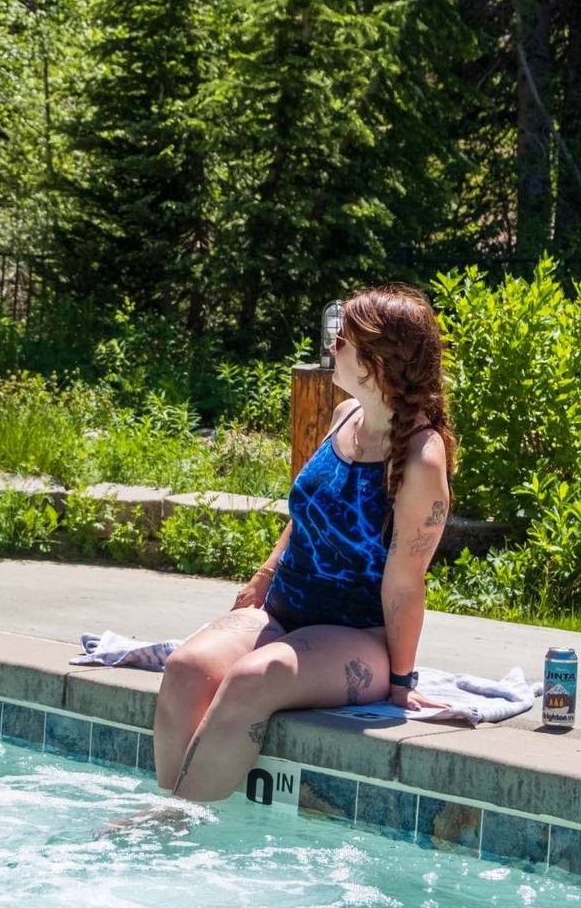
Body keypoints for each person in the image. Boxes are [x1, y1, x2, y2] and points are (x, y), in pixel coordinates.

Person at [152, 284, 458, 803]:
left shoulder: (419, 460)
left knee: (253, 678)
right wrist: (264, 576)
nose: (332, 346)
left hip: (357, 638)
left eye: (344, 340)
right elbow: (307, 513)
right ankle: (168, 807)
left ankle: (177, 826)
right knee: (185, 667)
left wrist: (400, 685)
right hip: (284, 611)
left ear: (378, 362)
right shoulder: (345, 417)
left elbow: (406, 585)